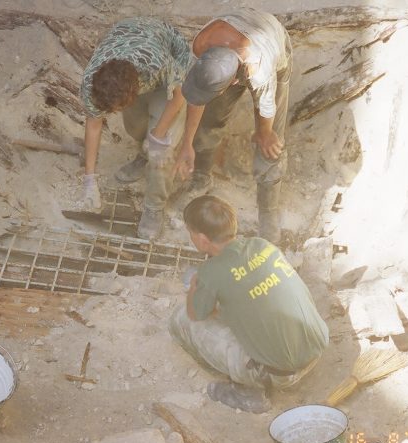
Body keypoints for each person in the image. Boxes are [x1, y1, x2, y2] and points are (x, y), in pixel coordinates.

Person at [169, 195, 328, 412]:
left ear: (203, 240)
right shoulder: (262, 245)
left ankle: (246, 390)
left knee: (180, 320)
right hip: (315, 351)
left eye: (191, 234)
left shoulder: (211, 272)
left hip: (281, 375)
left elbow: (195, 313)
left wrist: (195, 286)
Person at [174, 10, 292, 244]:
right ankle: (201, 177)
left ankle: (268, 213)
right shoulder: (202, 45)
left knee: (270, 144)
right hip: (236, 46)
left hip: (273, 48)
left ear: (231, 82)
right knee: (210, 120)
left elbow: (265, 110)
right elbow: (198, 97)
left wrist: (263, 133)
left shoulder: (261, 71)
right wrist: (187, 144)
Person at [80, 17, 192, 239]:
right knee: (135, 126)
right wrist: (89, 179)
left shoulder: (157, 64)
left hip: (167, 66)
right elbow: (93, 127)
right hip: (129, 49)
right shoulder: (92, 83)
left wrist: (157, 135)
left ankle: (154, 208)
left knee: (161, 150)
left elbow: (179, 96)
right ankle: (143, 155)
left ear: (134, 91)